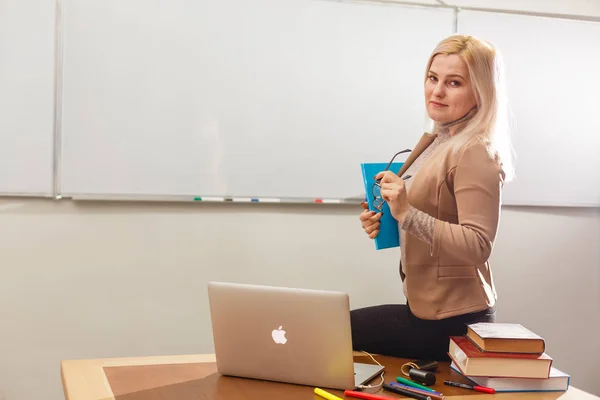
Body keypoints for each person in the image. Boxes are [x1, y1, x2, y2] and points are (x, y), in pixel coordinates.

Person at [352, 34, 515, 361]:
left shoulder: (476, 151)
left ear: (480, 93)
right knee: (330, 328)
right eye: (432, 78)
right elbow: (431, 214)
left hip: (452, 322)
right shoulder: (437, 140)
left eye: (453, 83)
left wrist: (406, 212)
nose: (437, 91)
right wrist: (385, 220)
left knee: (328, 328)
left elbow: (478, 244)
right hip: (425, 309)